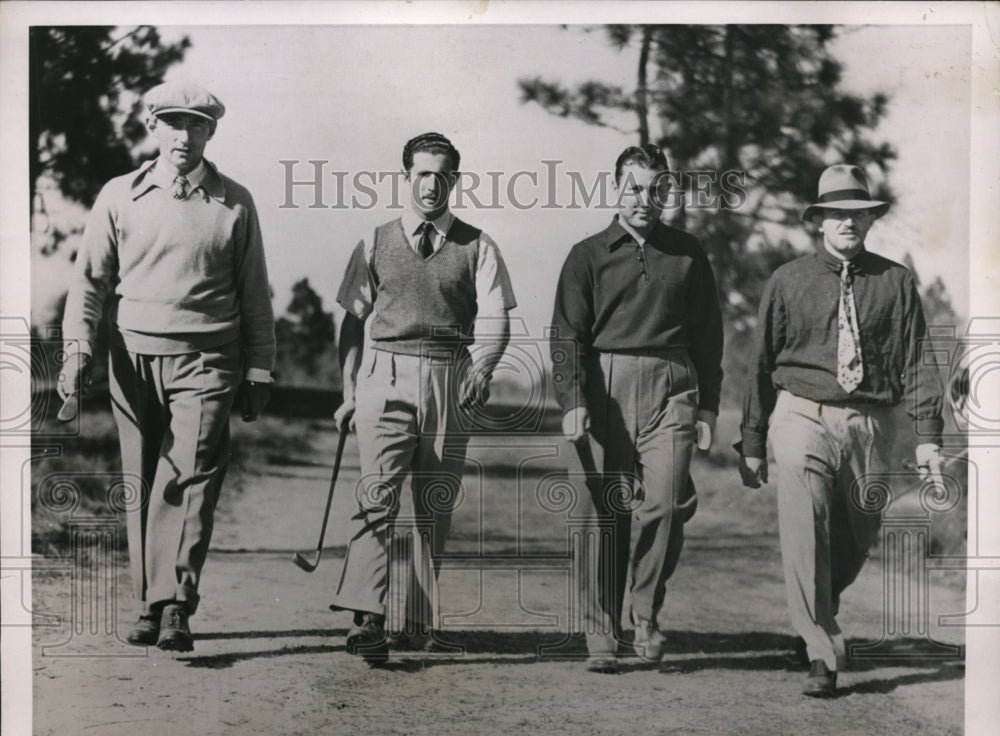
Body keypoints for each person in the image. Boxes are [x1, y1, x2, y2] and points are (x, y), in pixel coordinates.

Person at [58, 80, 276, 652]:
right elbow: (89, 284)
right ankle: (149, 604)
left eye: (197, 125)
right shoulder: (118, 196)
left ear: (211, 132)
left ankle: (175, 602)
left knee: (189, 472)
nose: (184, 135)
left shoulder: (236, 202)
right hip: (131, 359)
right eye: (173, 123)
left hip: (208, 359)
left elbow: (255, 294)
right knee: (145, 481)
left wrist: (259, 370)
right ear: (153, 127)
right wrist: (77, 348)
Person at [737, 164, 945, 697]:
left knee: (855, 537)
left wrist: (927, 438)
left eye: (858, 214)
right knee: (806, 526)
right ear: (820, 221)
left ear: (869, 221)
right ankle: (821, 653)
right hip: (800, 413)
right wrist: (755, 442)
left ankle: (818, 611)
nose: (847, 223)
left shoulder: (895, 282)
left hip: (870, 424)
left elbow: (917, 362)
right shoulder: (788, 280)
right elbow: (761, 364)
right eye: (836, 214)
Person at [331, 132, 517, 663]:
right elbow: (352, 322)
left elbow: (497, 314)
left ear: (454, 180)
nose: (430, 184)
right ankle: (369, 618)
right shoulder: (373, 241)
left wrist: (483, 366)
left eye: (441, 175)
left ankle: (413, 620)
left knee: (433, 503)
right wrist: (348, 391)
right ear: (406, 177)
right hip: (383, 376)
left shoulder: (478, 245)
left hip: (449, 376)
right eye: (420, 174)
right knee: (377, 493)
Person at [549, 144, 724, 672]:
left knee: (667, 504)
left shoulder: (688, 252)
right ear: (615, 189)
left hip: (673, 385)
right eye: (633, 187)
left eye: (656, 189)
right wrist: (574, 399)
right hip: (606, 386)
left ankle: (644, 613)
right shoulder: (587, 255)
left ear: (668, 192)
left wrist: (710, 407)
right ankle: (601, 629)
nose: (644, 199)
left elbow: (709, 335)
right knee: (603, 513)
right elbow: (566, 334)